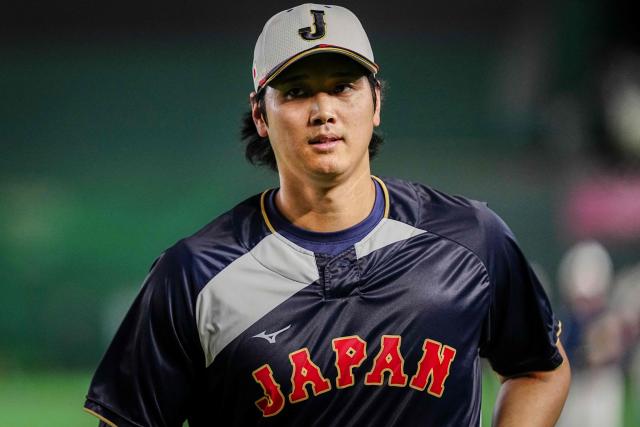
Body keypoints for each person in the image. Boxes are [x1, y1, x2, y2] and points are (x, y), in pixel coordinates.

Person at [83, 4, 570, 426]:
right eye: (295, 92)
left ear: (376, 101)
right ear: (260, 115)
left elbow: (539, 368)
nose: (323, 111)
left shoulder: (470, 240)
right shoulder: (194, 276)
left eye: (343, 87)